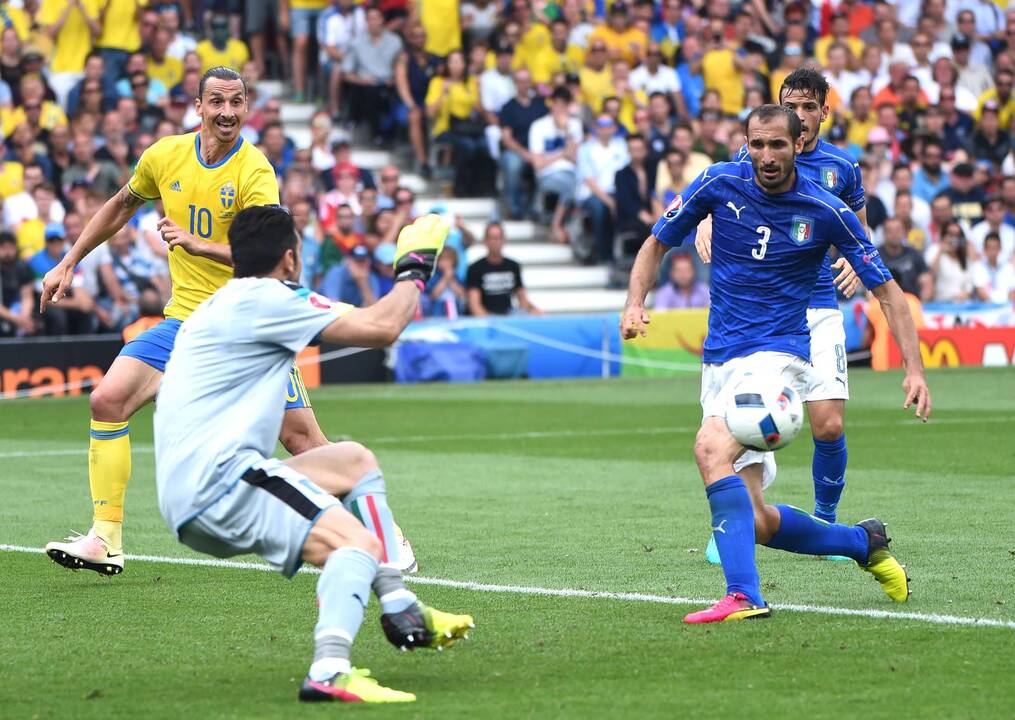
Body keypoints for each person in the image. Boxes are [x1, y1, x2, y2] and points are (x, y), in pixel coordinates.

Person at [622, 104, 930, 624]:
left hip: (779, 356)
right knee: (757, 519)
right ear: (746, 144)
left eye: (778, 145)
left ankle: (744, 595)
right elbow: (656, 242)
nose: (767, 156)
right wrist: (635, 301)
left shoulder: (824, 208)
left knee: (708, 448)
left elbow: (889, 292)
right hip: (720, 359)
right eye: (757, 144)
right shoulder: (718, 183)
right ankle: (864, 542)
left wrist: (914, 368)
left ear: (797, 144)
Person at [154, 207, 473, 703]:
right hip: (220, 483)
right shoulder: (270, 298)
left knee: (352, 461)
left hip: (195, 483)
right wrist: (415, 265)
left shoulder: (224, 302)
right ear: (290, 258)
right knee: (358, 546)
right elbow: (382, 326)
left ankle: (400, 605)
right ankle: (329, 670)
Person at [39, 67, 331, 576]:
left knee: (303, 442)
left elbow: (273, 256)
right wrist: (69, 262)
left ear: (247, 105)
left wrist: (199, 244)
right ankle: (105, 539)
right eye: (216, 101)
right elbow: (121, 204)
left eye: (236, 102)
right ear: (198, 106)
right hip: (184, 322)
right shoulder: (164, 155)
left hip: (246, 325)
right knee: (107, 399)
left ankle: (380, 528)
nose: (227, 113)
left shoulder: (255, 171)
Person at [695, 69, 868, 566]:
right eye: (791, 106)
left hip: (819, 305)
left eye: (809, 107)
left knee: (829, 426)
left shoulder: (842, 168)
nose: (800, 116)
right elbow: (716, 200)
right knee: (733, 425)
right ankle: (739, 519)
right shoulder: (754, 161)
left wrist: (856, 267)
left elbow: (858, 231)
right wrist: (705, 223)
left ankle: (827, 522)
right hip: (760, 316)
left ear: (823, 112)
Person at [466, 221, 539, 316]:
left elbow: (522, 299)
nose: (495, 242)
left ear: (504, 240)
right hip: (487, 316)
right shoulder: (475, 268)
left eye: (498, 238)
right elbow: (474, 305)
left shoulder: (513, 266)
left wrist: (533, 310)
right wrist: (489, 323)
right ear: (485, 241)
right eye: (492, 238)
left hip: (508, 315)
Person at [879, 216, 935, 301]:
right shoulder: (876, 256)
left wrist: (922, 306)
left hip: (912, 301)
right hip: (885, 303)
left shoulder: (913, 253)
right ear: (884, 234)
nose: (894, 234)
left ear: (904, 232)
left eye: (898, 231)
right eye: (890, 231)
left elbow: (927, 280)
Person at [0, 230, 34, 337]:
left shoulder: (22, 267)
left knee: (35, 324)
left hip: (19, 311)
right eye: (4, 248)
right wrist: (16, 319)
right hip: (4, 313)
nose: (8, 252)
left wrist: (24, 317)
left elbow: (27, 297)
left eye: (11, 247)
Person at [972, 232, 1015, 302]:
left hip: (1006, 308)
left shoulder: (1008, 268)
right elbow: (982, 293)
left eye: (995, 248)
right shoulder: (977, 267)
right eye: (989, 248)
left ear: (1000, 248)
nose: (992, 252)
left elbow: (1013, 291)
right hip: (986, 308)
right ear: (984, 249)